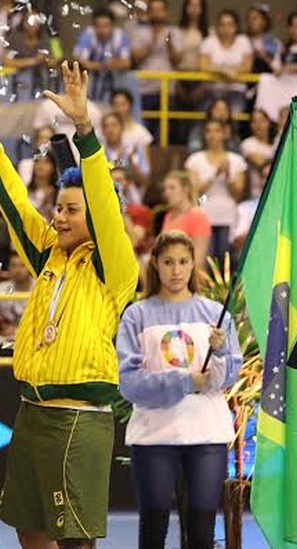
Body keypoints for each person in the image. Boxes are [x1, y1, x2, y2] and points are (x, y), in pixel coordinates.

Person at [0, 61, 139, 548]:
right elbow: (15, 201)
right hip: (30, 411)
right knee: (30, 529)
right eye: (58, 208)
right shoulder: (48, 255)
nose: (58, 218)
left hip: (78, 418)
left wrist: (85, 132)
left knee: (74, 539)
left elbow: (103, 204)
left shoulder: (113, 266)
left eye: (70, 210)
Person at [117, 230, 242, 549]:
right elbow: (130, 383)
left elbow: (229, 374)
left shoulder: (215, 313)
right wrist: (187, 381)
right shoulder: (137, 315)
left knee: (202, 523)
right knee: (154, 516)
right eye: (169, 261)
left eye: (183, 261)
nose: (176, 270)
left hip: (206, 433)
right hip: (154, 435)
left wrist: (223, 350)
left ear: (192, 265)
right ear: (155, 264)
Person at [184, 120, 246, 264]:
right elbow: (196, 192)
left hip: (228, 214)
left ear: (224, 134)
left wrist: (228, 175)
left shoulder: (236, 160)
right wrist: (215, 174)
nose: (212, 135)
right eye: (208, 131)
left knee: (226, 260)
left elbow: (237, 194)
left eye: (217, 131)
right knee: (206, 259)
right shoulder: (195, 160)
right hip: (204, 208)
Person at [199, 9, 253, 115]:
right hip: (212, 91)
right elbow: (203, 66)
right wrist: (226, 71)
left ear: (236, 27)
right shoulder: (209, 41)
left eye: (229, 24)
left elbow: (247, 67)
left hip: (236, 91)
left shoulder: (243, 41)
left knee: (234, 119)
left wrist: (215, 68)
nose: (225, 28)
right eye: (222, 25)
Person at [161, 170, 212, 273]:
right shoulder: (168, 216)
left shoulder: (197, 216)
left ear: (186, 189)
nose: (167, 193)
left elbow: (198, 259)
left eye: (172, 188)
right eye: (165, 189)